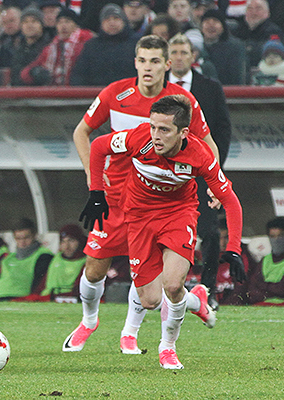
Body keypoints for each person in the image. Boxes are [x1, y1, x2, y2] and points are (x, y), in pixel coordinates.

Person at [70, 34, 223, 357]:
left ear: (167, 65)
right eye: (142, 60)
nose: (148, 67)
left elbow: (207, 143)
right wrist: (91, 175)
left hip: (157, 203)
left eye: (155, 61)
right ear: (135, 63)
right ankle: (88, 321)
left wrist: (215, 182)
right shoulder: (115, 94)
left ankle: (130, 333)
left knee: (151, 278)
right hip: (114, 197)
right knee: (94, 269)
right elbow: (82, 132)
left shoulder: (180, 102)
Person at [75, 94, 244, 369]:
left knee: (173, 285)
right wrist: (96, 192)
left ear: (183, 133)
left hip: (179, 214)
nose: (156, 135)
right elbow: (98, 146)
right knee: (151, 300)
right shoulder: (137, 138)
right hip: (139, 218)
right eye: (153, 126)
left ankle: (167, 347)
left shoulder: (200, 155)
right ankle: (196, 301)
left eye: (164, 129)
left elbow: (231, 201)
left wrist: (234, 248)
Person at [168, 33, 232, 308]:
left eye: (184, 52)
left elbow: (222, 130)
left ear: (193, 56)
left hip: (201, 172)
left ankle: (208, 289)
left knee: (209, 231)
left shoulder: (210, 87)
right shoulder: (155, 87)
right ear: (167, 58)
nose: (179, 57)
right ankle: (163, 289)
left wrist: (214, 169)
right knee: (159, 229)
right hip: (165, 173)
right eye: (175, 52)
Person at [234, 218, 284, 305]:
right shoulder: (266, 259)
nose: (276, 240)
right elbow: (253, 286)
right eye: (272, 236)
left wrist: (264, 288)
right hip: (262, 303)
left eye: (280, 236)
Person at [20, 7, 94, 86]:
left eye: (67, 21)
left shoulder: (87, 44)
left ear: (76, 25)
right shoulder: (51, 47)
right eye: (59, 22)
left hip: (81, 90)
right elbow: (28, 71)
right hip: (55, 91)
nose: (63, 26)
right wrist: (33, 72)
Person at [70, 3, 138, 86]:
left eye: (116, 18)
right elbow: (79, 74)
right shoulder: (92, 46)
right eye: (107, 19)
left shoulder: (136, 44)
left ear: (124, 21)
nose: (112, 23)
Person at [0, 218, 53, 300]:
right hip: (1, 298)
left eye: (26, 238)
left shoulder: (44, 256)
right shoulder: (8, 259)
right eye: (18, 238)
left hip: (24, 299)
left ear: (34, 236)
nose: (22, 242)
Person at [230, 0, 284, 70]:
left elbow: (267, 52)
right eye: (250, 9)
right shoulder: (237, 30)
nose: (253, 13)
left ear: (267, 13)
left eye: (258, 9)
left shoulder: (274, 31)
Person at [39, 224, 87, 299]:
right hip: (48, 297)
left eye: (71, 241)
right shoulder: (56, 258)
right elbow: (43, 284)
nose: (66, 246)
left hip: (67, 299)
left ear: (80, 241)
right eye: (63, 241)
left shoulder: (85, 262)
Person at [200, 8, 247, 85]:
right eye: (207, 22)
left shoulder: (235, 47)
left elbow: (238, 77)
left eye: (215, 21)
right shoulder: (197, 47)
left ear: (223, 26)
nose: (211, 26)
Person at [10, 7, 52, 86]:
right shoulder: (17, 47)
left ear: (42, 25)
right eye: (25, 22)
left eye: (34, 21)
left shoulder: (49, 47)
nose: (29, 25)